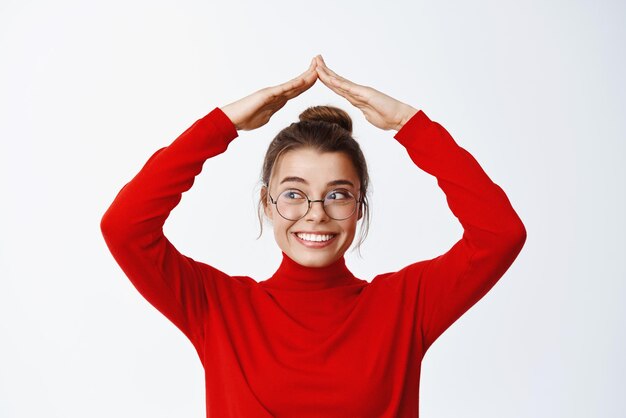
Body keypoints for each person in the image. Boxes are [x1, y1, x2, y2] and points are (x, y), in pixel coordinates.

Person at [100, 54, 527, 417]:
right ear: (267, 204)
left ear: (360, 206)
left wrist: (408, 124)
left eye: (337, 194)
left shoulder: (404, 306)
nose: (315, 214)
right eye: (294, 194)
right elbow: (125, 227)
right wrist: (223, 125)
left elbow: (500, 234)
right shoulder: (217, 308)